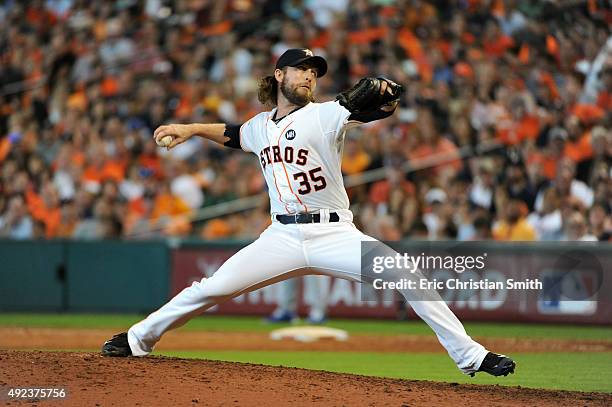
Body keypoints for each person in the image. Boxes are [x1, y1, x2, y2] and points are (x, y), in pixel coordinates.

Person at [102, 49, 515, 377]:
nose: (309, 76)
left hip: (336, 235)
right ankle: (138, 339)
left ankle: (471, 357)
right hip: (280, 238)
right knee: (210, 288)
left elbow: (367, 109)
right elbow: (232, 134)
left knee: (407, 274)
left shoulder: (328, 113)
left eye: (314, 71)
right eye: (301, 69)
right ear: (279, 75)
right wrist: (191, 128)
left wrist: (388, 95)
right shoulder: (261, 125)